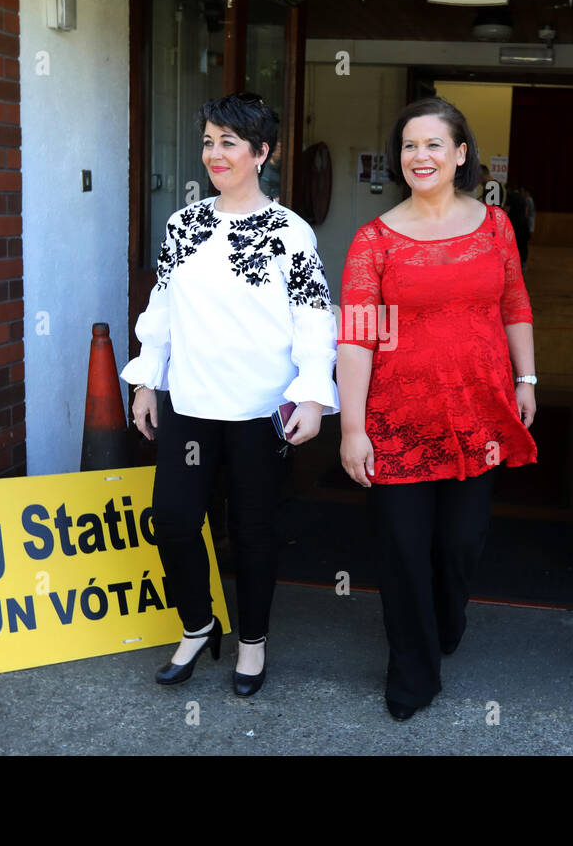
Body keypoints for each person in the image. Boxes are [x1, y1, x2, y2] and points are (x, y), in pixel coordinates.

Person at [122, 92, 338, 697]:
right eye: (209, 141)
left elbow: (314, 319)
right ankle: (197, 625)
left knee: (253, 530)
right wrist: (145, 381)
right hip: (189, 404)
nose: (216, 154)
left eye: (230, 143)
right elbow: (160, 308)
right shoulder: (182, 224)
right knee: (172, 519)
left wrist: (314, 396)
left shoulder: (289, 232)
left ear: (262, 153)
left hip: (257, 411)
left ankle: (252, 643)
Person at [337, 97, 538, 721]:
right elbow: (355, 337)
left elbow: (515, 304)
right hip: (396, 421)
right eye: (408, 146)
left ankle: (447, 618)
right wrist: (350, 428)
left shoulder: (495, 226)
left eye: (432, 145)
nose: (418, 156)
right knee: (401, 548)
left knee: (461, 543)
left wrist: (527, 378)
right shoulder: (374, 240)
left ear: (459, 155)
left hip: (478, 414)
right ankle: (412, 671)